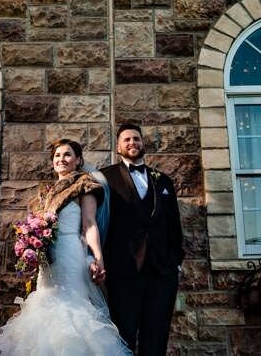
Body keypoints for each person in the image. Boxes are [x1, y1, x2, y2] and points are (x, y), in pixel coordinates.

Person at [0, 139, 130, 356]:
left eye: (67, 154)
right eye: (57, 155)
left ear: (78, 160)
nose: (61, 159)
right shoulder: (46, 194)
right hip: (48, 262)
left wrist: (98, 258)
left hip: (70, 253)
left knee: (71, 307)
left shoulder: (84, 185)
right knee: (46, 306)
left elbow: (89, 224)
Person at [100, 123, 185, 356]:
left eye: (136, 138)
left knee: (157, 335)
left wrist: (175, 261)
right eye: (126, 139)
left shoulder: (163, 181)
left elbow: (174, 225)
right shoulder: (105, 178)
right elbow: (95, 222)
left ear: (143, 143)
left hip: (162, 271)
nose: (132, 143)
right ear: (118, 146)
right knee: (123, 335)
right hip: (123, 271)